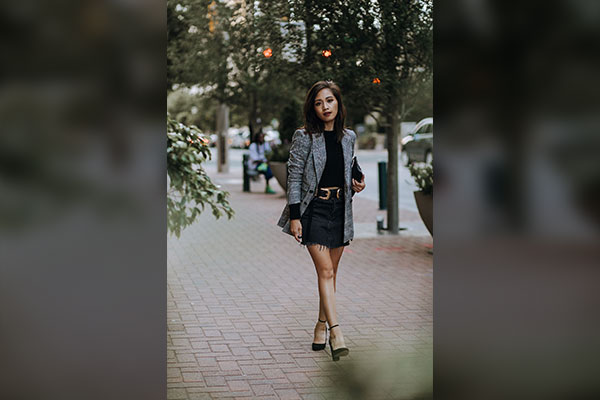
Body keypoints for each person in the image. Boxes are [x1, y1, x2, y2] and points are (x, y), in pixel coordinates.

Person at [277, 81, 366, 361]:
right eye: (318, 102)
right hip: (313, 210)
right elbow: (293, 178)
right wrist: (294, 216)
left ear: (338, 103)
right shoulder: (304, 136)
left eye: (329, 100)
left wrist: (357, 183)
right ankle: (336, 333)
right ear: (312, 108)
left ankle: (319, 326)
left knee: (331, 273)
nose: (325, 106)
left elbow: (348, 167)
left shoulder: (348, 136)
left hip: (340, 209)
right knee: (325, 272)